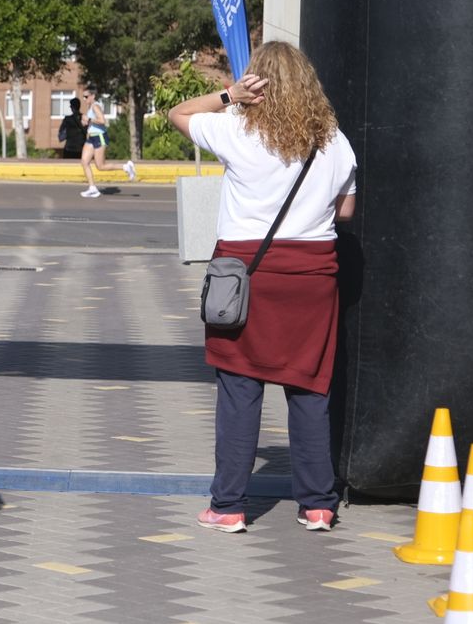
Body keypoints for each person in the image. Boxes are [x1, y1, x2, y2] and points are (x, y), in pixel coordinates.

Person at [167, 41, 357, 534]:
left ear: (258, 84)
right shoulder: (334, 140)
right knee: (310, 388)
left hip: (245, 277)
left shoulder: (235, 130)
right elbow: (347, 211)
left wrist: (229, 96)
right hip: (313, 277)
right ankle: (317, 504)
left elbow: (177, 113)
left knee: (239, 388)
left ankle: (228, 507)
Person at [78, 86, 136, 196]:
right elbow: (91, 122)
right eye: (83, 97)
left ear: (92, 96)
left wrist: (89, 119)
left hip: (99, 137)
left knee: (100, 166)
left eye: (86, 97)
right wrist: (85, 122)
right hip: (91, 138)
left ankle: (126, 167)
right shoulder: (91, 107)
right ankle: (92, 188)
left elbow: (102, 120)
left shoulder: (95, 106)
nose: (84, 99)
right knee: (84, 161)